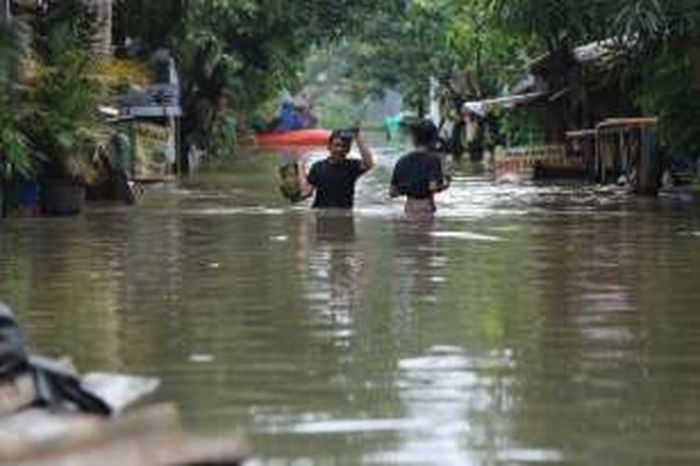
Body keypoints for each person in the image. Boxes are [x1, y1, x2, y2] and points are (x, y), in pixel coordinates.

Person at [298, 128, 375, 209]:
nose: (340, 149)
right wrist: (300, 167)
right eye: (337, 145)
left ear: (348, 150)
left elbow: (369, 164)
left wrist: (358, 137)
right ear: (329, 147)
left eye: (344, 146)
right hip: (321, 214)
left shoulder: (352, 166)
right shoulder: (318, 167)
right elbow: (306, 193)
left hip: (344, 214)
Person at [390, 119, 451, 218]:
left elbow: (392, 192)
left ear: (413, 139)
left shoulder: (402, 161)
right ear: (433, 139)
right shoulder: (433, 160)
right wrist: (445, 185)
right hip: (425, 208)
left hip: (408, 208)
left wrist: (409, 188)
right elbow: (432, 187)